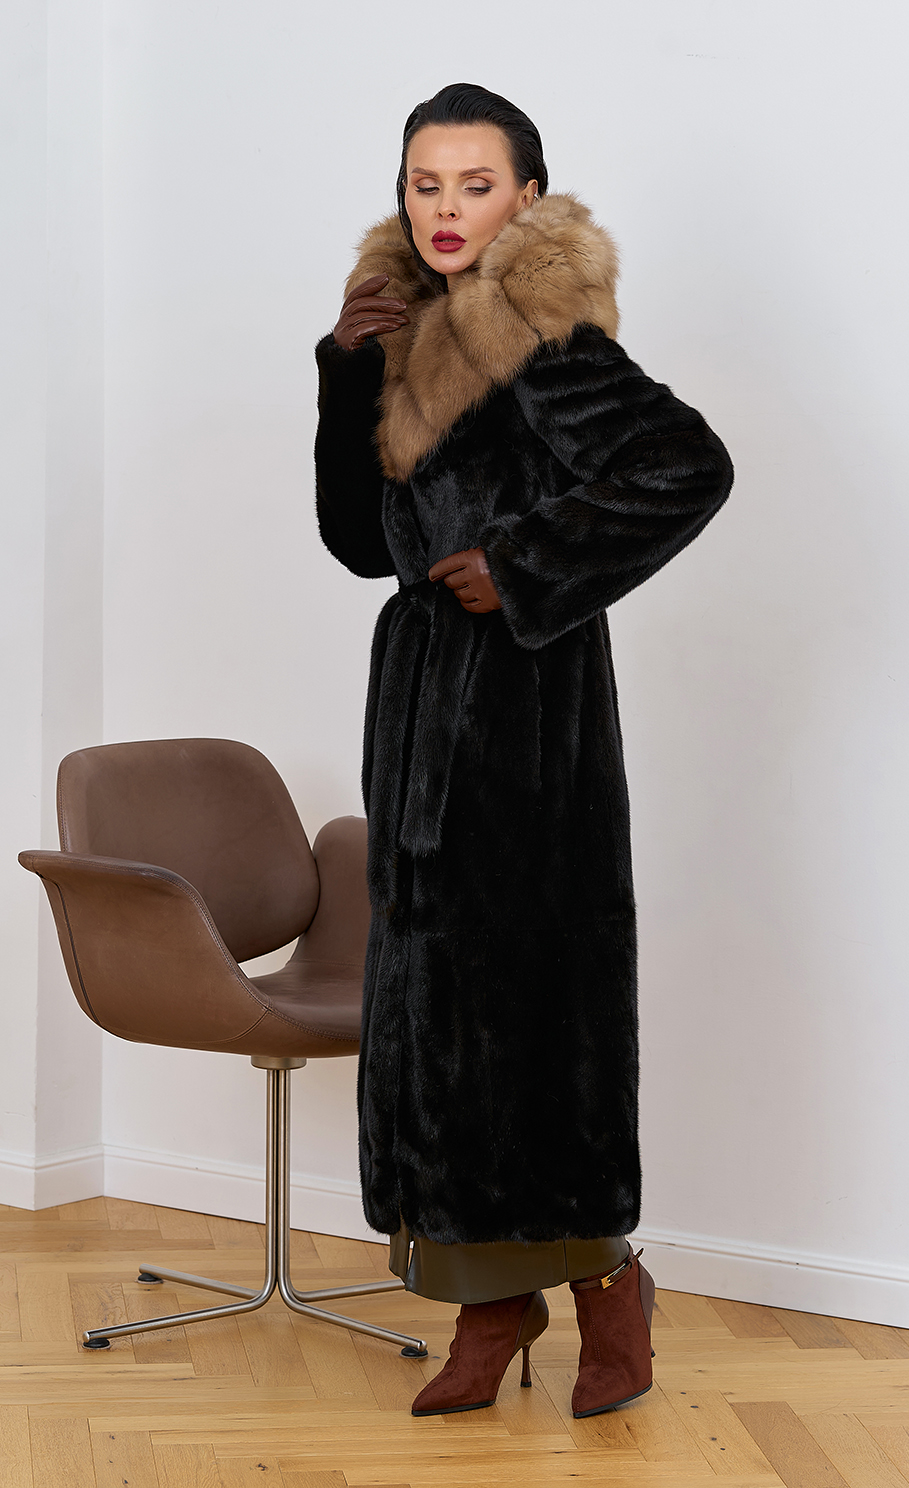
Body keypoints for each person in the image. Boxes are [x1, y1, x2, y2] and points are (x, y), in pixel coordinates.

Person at [314, 82, 733, 1419]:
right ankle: (488, 1308)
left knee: (535, 1015)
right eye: (424, 184)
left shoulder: (543, 338)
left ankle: (610, 1290)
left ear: (528, 198)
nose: (445, 210)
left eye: (476, 184)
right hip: (419, 712)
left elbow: (688, 464)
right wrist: (343, 374)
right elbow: (354, 541)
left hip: (527, 717)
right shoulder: (403, 332)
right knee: (438, 1019)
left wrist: (528, 565)